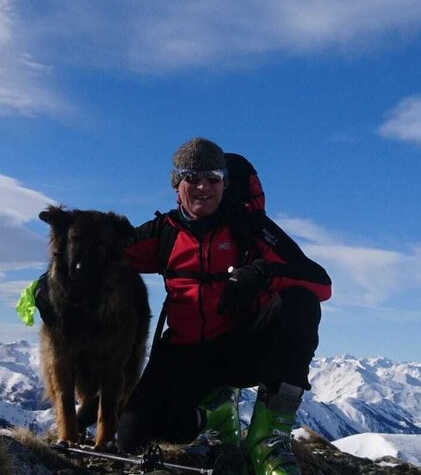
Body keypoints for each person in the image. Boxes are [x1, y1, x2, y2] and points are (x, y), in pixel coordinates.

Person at [117, 137, 332, 475]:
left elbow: (320, 283)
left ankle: (268, 440)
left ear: (225, 183)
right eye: (192, 176)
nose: (203, 186)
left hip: (242, 346)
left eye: (213, 177)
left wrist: (262, 273)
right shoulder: (162, 233)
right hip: (185, 353)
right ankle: (215, 414)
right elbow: (105, 257)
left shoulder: (250, 227)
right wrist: (50, 281)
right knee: (132, 437)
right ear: (177, 183)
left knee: (301, 304)